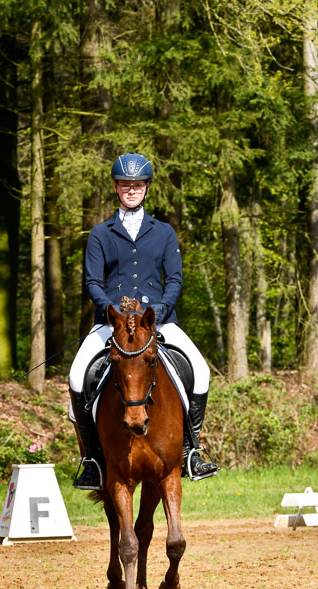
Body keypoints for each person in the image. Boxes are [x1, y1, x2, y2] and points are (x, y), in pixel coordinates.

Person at [69, 151, 219, 490]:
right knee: (77, 376)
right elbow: (93, 281)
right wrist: (113, 312)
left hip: (157, 322)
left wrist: (160, 312)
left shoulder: (163, 232)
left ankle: (191, 451)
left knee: (201, 370)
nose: (131, 190)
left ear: (147, 187)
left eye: (137, 185)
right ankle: (92, 460)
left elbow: (175, 280)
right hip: (112, 323)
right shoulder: (100, 233)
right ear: (115, 187)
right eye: (125, 185)